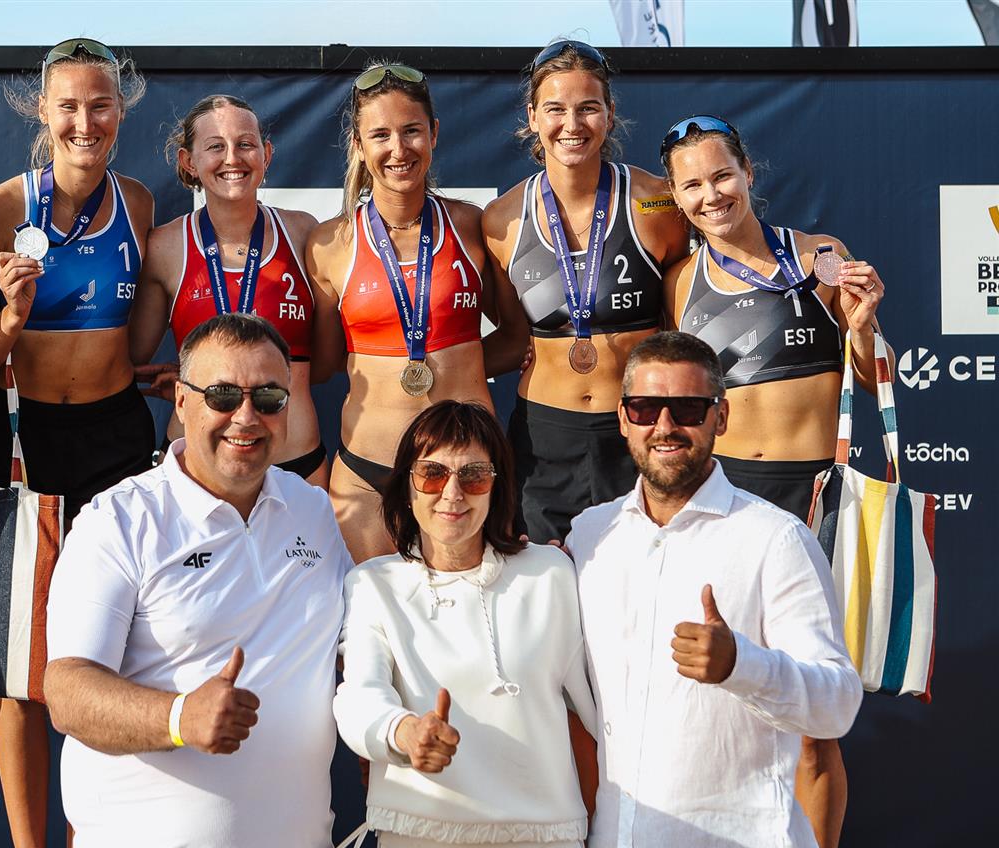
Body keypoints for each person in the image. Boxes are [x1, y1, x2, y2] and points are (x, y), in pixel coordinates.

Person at [659, 115, 886, 848]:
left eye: (721, 175)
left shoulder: (821, 257)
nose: (711, 194)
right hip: (730, 506)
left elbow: (870, 377)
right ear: (678, 198)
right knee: (732, 713)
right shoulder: (682, 283)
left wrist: (862, 326)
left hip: (814, 503)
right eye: (692, 185)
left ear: (748, 171)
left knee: (815, 726)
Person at [0, 37, 158, 848]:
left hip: (114, 438)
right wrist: (8, 317)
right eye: (68, 106)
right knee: (23, 674)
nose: (85, 121)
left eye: (100, 105)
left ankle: (95, 836)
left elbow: (142, 318)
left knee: (109, 656)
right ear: (42, 111)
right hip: (23, 440)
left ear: (120, 111)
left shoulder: (140, 204)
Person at [43, 313, 351, 848]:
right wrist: (179, 717)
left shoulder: (312, 510)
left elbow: (356, 649)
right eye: (223, 395)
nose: (246, 417)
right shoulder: (118, 521)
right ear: (181, 401)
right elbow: (67, 691)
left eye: (270, 398)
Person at [566, 331, 862, 848]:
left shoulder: (776, 538)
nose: (664, 426)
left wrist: (739, 665)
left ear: (720, 418)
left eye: (687, 408)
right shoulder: (588, 536)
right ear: (622, 417)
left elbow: (836, 705)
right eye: (645, 408)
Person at [333, 401, 597, 848]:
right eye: (432, 474)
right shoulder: (373, 585)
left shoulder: (552, 573)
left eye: (473, 475)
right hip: (419, 836)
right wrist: (404, 732)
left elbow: (598, 711)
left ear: (497, 487)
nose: (453, 493)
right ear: (408, 488)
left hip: (543, 837)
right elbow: (359, 698)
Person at [308, 61, 527, 563]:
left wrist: (461, 364)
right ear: (359, 146)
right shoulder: (329, 244)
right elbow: (321, 365)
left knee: (468, 625)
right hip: (367, 474)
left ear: (434, 133)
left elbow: (516, 338)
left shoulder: (473, 227)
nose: (398, 149)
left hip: (465, 472)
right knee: (373, 629)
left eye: (411, 131)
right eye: (380, 135)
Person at [483, 39, 689, 545]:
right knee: (548, 587)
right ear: (532, 117)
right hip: (543, 436)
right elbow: (513, 336)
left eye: (588, 108)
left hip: (638, 428)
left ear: (610, 115)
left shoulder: (656, 203)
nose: (571, 125)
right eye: (554, 108)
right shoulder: (501, 221)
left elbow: (687, 321)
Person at [143, 93, 327, 485]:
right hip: (197, 471)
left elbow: (331, 358)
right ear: (188, 161)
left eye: (246, 144)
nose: (233, 158)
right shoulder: (164, 247)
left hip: (295, 465)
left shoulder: (303, 233)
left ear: (267, 154)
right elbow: (131, 357)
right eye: (215, 147)